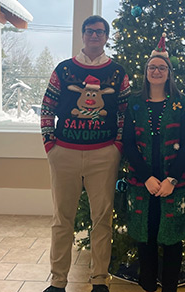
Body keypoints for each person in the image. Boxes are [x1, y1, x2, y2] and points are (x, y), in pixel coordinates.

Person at [41, 15, 130, 292]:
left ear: (106, 37)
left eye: (100, 32)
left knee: (102, 220)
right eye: (90, 31)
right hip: (64, 153)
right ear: (83, 35)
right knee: (61, 219)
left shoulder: (117, 72)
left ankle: (99, 279)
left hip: (103, 156)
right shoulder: (64, 69)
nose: (95, 36)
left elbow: (125, 115)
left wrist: (116, 147)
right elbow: (47, 108)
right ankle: (57, 281)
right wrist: (50, 146)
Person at [122, 35, 185, 292]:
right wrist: (146, 177)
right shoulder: (134, 103)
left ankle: (170, 288)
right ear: (145, 72)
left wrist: (172, 179)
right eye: (152, 67)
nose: (156, 71)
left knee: (172, 240)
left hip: (172, 185)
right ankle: (149, 286)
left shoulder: (181, 103)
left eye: (161, 67)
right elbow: (128, 144)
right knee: (146, 238)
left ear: (168, 72)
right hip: (144, 185)